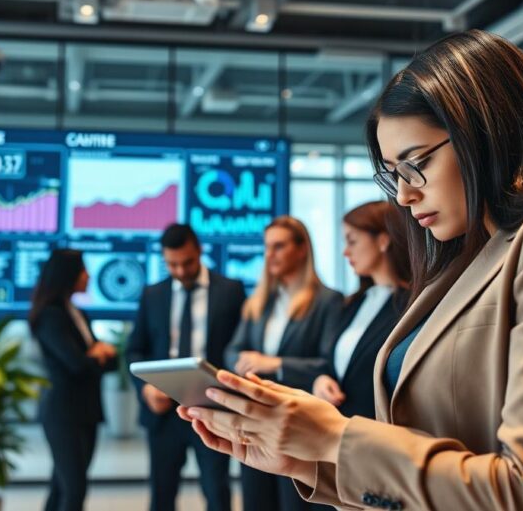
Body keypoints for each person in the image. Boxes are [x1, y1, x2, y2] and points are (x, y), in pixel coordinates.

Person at [178, 29, 523, 511]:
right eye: (393, 175)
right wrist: (305, 461)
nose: (405, 194)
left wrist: (333, 437)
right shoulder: (470, 254)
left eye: (416, 165)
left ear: (487, 131)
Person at [224, 215, 344, 511]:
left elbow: (328, 365)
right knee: (256, 501)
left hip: (295, 422)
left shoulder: (328, 301)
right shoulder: (259, 301)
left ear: (302, 249)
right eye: (267, 247)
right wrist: (244, 364)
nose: (269, 255)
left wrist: (273, 363)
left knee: (294, 503)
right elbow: (233, 350)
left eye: (278, 246)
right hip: (255, 422)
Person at [127, 224, 247, 511]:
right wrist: (145, 390)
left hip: (212, 409)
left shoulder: (230, 291)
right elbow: (134, 349)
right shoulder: (153, 294)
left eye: (187, 263)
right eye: (172, 264)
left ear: (199, 251)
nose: (180, 271)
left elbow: (239, 348)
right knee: (162, 494)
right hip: (163, 414)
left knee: (217, 491)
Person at [29, 249, 118, 511]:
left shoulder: (77, 313)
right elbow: (76, 364)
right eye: (83, 269)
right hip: (62, 412)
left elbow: (109, 361)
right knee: (74, 488)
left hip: (86, 410)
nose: (88, 275)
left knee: (62, 486)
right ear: (68, 275)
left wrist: (98, 356)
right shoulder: (51, 315)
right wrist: (96, 354)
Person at [312, 201, 411, 420]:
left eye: (352, 241)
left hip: (377, 433)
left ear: (383, 240)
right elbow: (330, 361)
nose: (346, 252)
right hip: (337, 429)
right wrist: (322, 379)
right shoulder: (354, 303)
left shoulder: (412, 305)